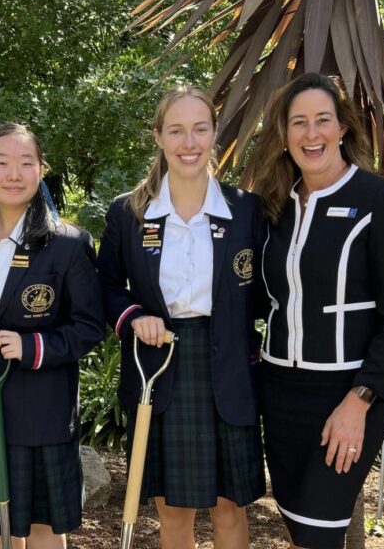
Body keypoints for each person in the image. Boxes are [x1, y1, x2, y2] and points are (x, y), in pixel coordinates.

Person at [250, 72, 384, 549]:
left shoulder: (380, 200)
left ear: (343, 127)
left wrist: (359, 401)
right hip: (279, 391)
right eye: (298, 122)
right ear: (285, 135)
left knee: (321, 530)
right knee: (299, 528)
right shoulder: (273, 207)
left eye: (322, 120)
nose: (311, 133)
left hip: (345, 394)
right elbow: (258, 297)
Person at [97, 85, 267, 549]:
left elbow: (271, 291)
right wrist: (134, 317)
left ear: (214, 134)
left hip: (230, 372)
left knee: (230, 508)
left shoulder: (245, 209)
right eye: (176, 130)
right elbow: (105, 288)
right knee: (173, 511)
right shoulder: (129, 213)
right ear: (158, 137)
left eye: (199, 129)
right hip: (160, 369)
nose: (188, 143)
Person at [0, 123, 105, 549]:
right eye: (1, 163)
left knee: (41, 526)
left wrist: (34, 347)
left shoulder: (68, 244)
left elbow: (90, 326)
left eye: (25, 163)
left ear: (41, 170)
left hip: (40, 402)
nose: (13, 173)